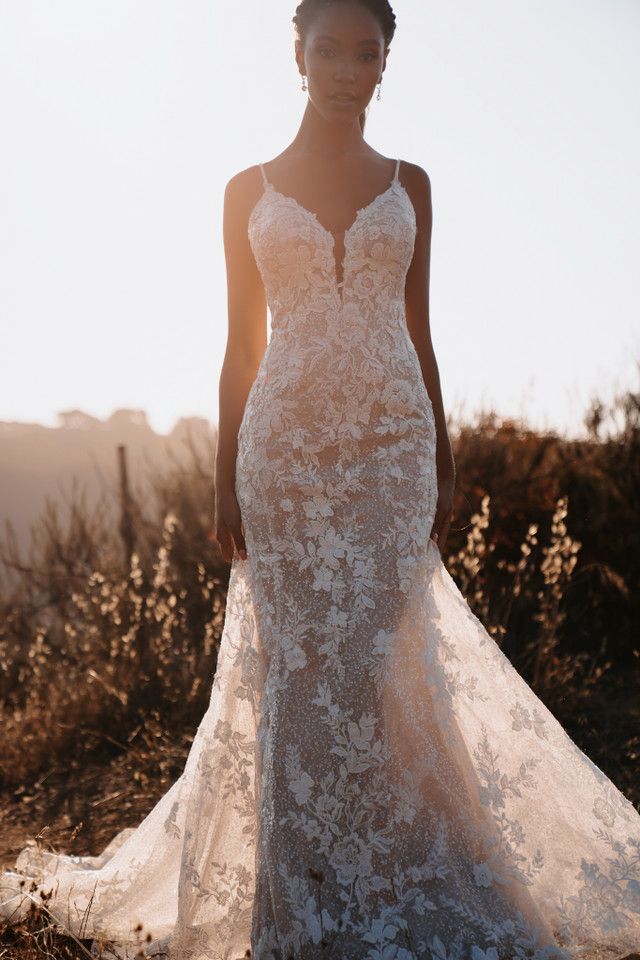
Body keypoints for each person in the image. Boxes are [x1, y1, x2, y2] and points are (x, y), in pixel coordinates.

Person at [1, 2, 639, 959]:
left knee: (388, 663)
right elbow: (238, 348)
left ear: (385, 65)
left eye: (366, 52)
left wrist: (444, 454)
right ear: (297, 57)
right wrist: (225, 477)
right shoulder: (245, 190)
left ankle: (403, 871)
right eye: (329, 49)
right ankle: (301, 900)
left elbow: (421, 332)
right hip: (285, 456)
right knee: (299, 670)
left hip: (391, 448)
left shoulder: (412, 185)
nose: (347, 67)